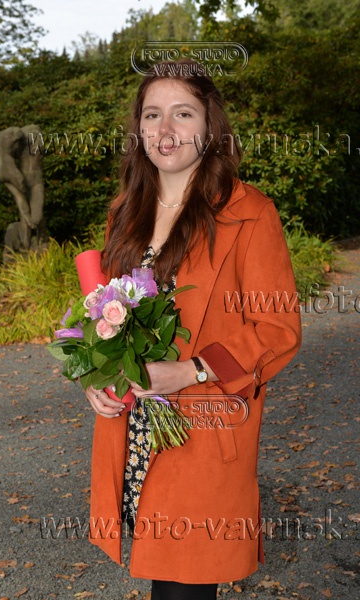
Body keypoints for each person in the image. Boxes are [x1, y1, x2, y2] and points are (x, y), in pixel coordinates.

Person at [85, 59, 302, 600]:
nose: (165, 129)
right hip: (133, 429)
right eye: (152, 115)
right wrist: (98, 378)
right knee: (161, 575)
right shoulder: (124, 212)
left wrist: (191, 370)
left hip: (202, 428)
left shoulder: (249, 213)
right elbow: (107, 317)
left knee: (183, 584)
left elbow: (278, 328)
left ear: (210, 127)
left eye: (182, 114)